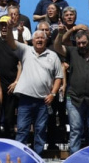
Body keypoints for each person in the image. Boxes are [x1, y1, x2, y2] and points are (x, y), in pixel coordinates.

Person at [5, 18, 63, 154]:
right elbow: (10, 42)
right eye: (36, 38)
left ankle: (37, 157)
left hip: (43, 101)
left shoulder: (53, 55)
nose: (39, 40)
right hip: (25, 99)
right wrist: (9, 29)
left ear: (46, 40)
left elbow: (59, 77)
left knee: (40, 130)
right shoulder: (25, 50)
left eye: (42, 38)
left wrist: (53, 94)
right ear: (32, 40)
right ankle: (20, 156)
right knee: (22, 130)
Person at [54, 27, 89, 153]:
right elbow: (57, 47)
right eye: (78, 43)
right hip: (74, 99)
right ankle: (74, 159)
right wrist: (61, 33)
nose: (81, 45)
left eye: (83, 43)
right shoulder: (72, 52)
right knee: (75, 130)